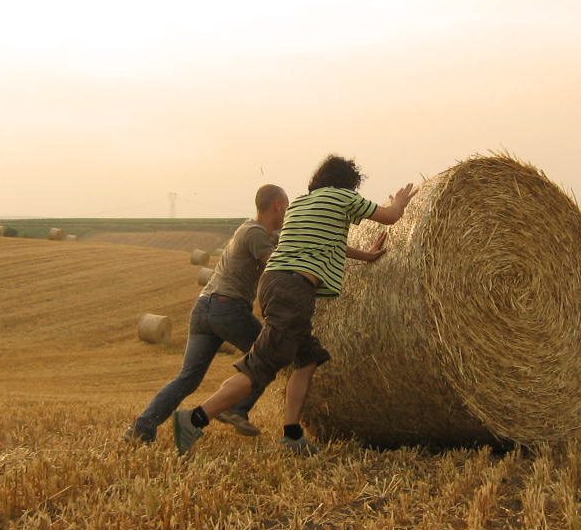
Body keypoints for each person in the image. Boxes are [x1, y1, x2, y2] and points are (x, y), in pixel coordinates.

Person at [172, 155, 416, 456]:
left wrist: (365, 256)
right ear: (348, 182)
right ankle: (194, 419)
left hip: (275, 281)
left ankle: (291, 433)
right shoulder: (343, 196)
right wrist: (401, 201)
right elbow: (391, 216)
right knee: (260, 367)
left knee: (307, 358)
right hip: (294, 289)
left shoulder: (301, 204)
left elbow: (325, 243)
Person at [124, 184, 289, 443]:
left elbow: (282, 240)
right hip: (227, 307)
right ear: (277, 206)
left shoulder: (248, 229)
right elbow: (277, 267)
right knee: (270, 355)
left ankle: (141, 429)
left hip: (203, 308)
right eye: (286, 207)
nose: (286, 213)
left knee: (187, 378)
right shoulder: (256, 233)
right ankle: (237, 407)